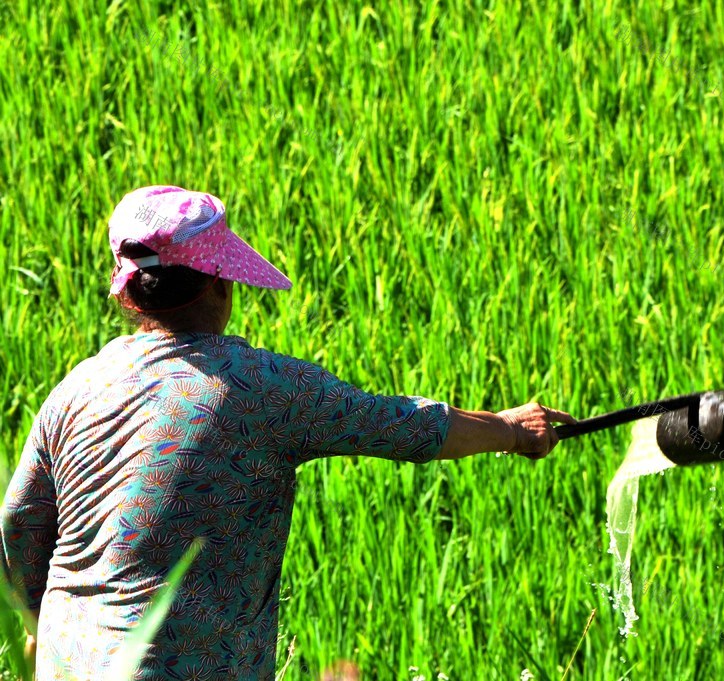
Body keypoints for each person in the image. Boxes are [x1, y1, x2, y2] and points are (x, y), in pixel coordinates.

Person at [0, 185, 576, 680]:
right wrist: (509, 429)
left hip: (69, 663)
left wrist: (32, 625)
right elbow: (405, 426)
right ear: (220, 283)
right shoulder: (263, 388)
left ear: (129, 293)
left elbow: (19, 525)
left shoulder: (74, 391)